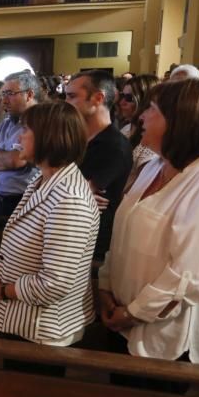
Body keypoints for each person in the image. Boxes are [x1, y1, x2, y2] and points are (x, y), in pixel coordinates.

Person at [97, 80, 199, 369]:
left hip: (166, 340)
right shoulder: (153, 166)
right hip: (121, 320)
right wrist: (106, 287)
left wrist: (133, 313)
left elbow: (188, 273)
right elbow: (122, 234)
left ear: (181, 120)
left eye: (152, 109)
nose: (142, 116)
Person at [0, 102, 99, 345]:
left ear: (49, 138)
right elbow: (25, 251)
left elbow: (54, 283)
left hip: (41, 331)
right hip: (19, 320)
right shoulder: (42, 180)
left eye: (27, 130)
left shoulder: (69, 199)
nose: (20, 135)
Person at [63, 70, 133, 262]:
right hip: (69, 230)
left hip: (91, 241)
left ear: (97, 98)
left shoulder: (114, 146)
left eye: (72, 96)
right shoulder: (75, 139)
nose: (66, 103)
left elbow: (74, 198)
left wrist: (63, 192)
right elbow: (65, 193)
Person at [0, 71, 40, 248]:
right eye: (3, 94)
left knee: (17, 254)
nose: (4, 100)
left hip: (23, 201)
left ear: (29, 94)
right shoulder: (6, 123)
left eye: (10, 94)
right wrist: (2, 157)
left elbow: (16, 161)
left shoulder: (38, 123)